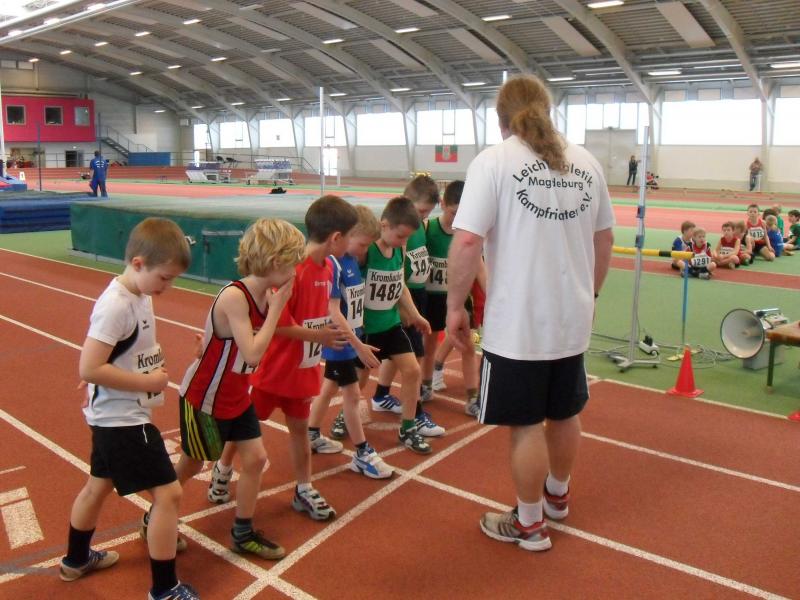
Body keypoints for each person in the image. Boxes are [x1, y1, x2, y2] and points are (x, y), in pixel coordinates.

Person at [445, 75, 614, 551]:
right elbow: (604, 239)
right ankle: (557, 497)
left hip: (519, 323)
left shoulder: (494, 162)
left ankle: (530, 523)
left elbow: (467, 241)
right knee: (564, 413)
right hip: (571, 316)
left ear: (502, 121)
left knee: (526, 424)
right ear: (547, 111)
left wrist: (455, 306)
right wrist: (591, 295)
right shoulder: (587, 163)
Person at [62, 218, 199, 599]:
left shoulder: (140, 294)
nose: (167, 287)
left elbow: (107, 359)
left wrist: (102, 376)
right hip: (122, 419)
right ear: (138, 263)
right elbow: (89, 366)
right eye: (164, 278)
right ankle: (165, 589)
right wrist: (148, 382)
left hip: (115, 414)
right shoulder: (116, 305)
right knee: (169, 494)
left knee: (98, 485)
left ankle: (75, 560)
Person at [174, 218, 304, 561]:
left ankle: (243, 533)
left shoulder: (264, 295)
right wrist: (277, 310)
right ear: (275, 262)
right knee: (192, 465)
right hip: (205, 400)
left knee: (256, 458)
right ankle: (155, 516)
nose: (295, 272)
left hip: (236, 397)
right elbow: (252, 353)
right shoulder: (236, 296)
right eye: (292, 263)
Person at [230, 195, 354, 522]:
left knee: (300, 429)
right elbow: (277, 325)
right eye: (350, 237)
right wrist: (319, 336)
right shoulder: (291, 270)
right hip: (274, 369)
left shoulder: (330, 267)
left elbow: (324, 312)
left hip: (303, 369)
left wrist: (342, 337)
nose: (352, 244)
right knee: (245, 426)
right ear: (336, 238)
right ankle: (222, 468)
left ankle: (304, 488)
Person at [306, 206, 393, 478]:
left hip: (350, 336)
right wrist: (356, 344)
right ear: (344, 236)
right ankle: (362, 453)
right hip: (340, 340)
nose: (365, 250)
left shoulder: (352, 260)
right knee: (353, 395)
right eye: (362, 244)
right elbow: (333, 309)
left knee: (330, 387)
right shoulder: (333, 264)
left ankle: (311, 433)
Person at [361, 196, 434, 454]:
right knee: (357, 383)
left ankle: (408, 428)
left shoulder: (400, 251)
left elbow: (400, 285)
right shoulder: (367, 252)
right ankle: (344, 416)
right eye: (401, 236)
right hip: (367, 329)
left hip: (391, 324)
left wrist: (415, 314)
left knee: (412, 371)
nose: (404, 242)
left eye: (407, 238)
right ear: (384, 225)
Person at [371, 176, 437, 413]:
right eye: (421, 211)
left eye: (427, 213)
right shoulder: (395, 232)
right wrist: (404, 308)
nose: (423, 217)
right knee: (413, 354)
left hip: (413, 296)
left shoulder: (418, 228)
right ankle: (413, 410)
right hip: (398, 303)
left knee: (402, 355)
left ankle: (386, 397)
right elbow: (396, 273)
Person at [420, 180, 483, 417]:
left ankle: (473, 397)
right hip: (432, 298)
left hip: (458, 299)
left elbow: (480, 267)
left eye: (462, 215)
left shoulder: (468, 235)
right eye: (454, 213)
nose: (457, 220)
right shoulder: (427, 229)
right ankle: (426, 385)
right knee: (429, 344)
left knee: (467, 346)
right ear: (443, 204)